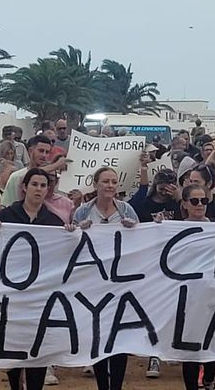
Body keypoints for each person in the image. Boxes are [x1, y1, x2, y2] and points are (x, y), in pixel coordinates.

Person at [0, 168, 65, 390]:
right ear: (24, 187)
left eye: (43, 186)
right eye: (35, 184)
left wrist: (70, 234)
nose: (39, 189)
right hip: (12, 293)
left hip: (41, 295)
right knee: (13, 344)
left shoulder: (53, 222)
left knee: (38, 345)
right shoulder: (7, 216)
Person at [69, 167, 138, 390]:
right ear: (95, 184)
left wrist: (134, 229)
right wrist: (78, 229)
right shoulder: (82, 212)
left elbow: (141, 243)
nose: (110, 185)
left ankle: (116, 386)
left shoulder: (127, 210)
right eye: (105, 181)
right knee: (98, 335)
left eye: (113, 182)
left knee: (119, 337)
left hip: (120, 282)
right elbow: (72, 244)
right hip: (93, 283)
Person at [177, 184, 215, 390]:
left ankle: (208, 379)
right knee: (191, 347)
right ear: (185, 204)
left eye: (204, 201)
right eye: (194, 201)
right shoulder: (173, 229)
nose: (200, 205)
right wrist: (158, 228)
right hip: (186, 298)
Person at [0, 135, 59, 207]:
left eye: (47, 152)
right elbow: (6, 205)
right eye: (41, 151)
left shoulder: (55, 178)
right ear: (30, 151)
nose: (44, 155)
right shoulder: (16, 177)